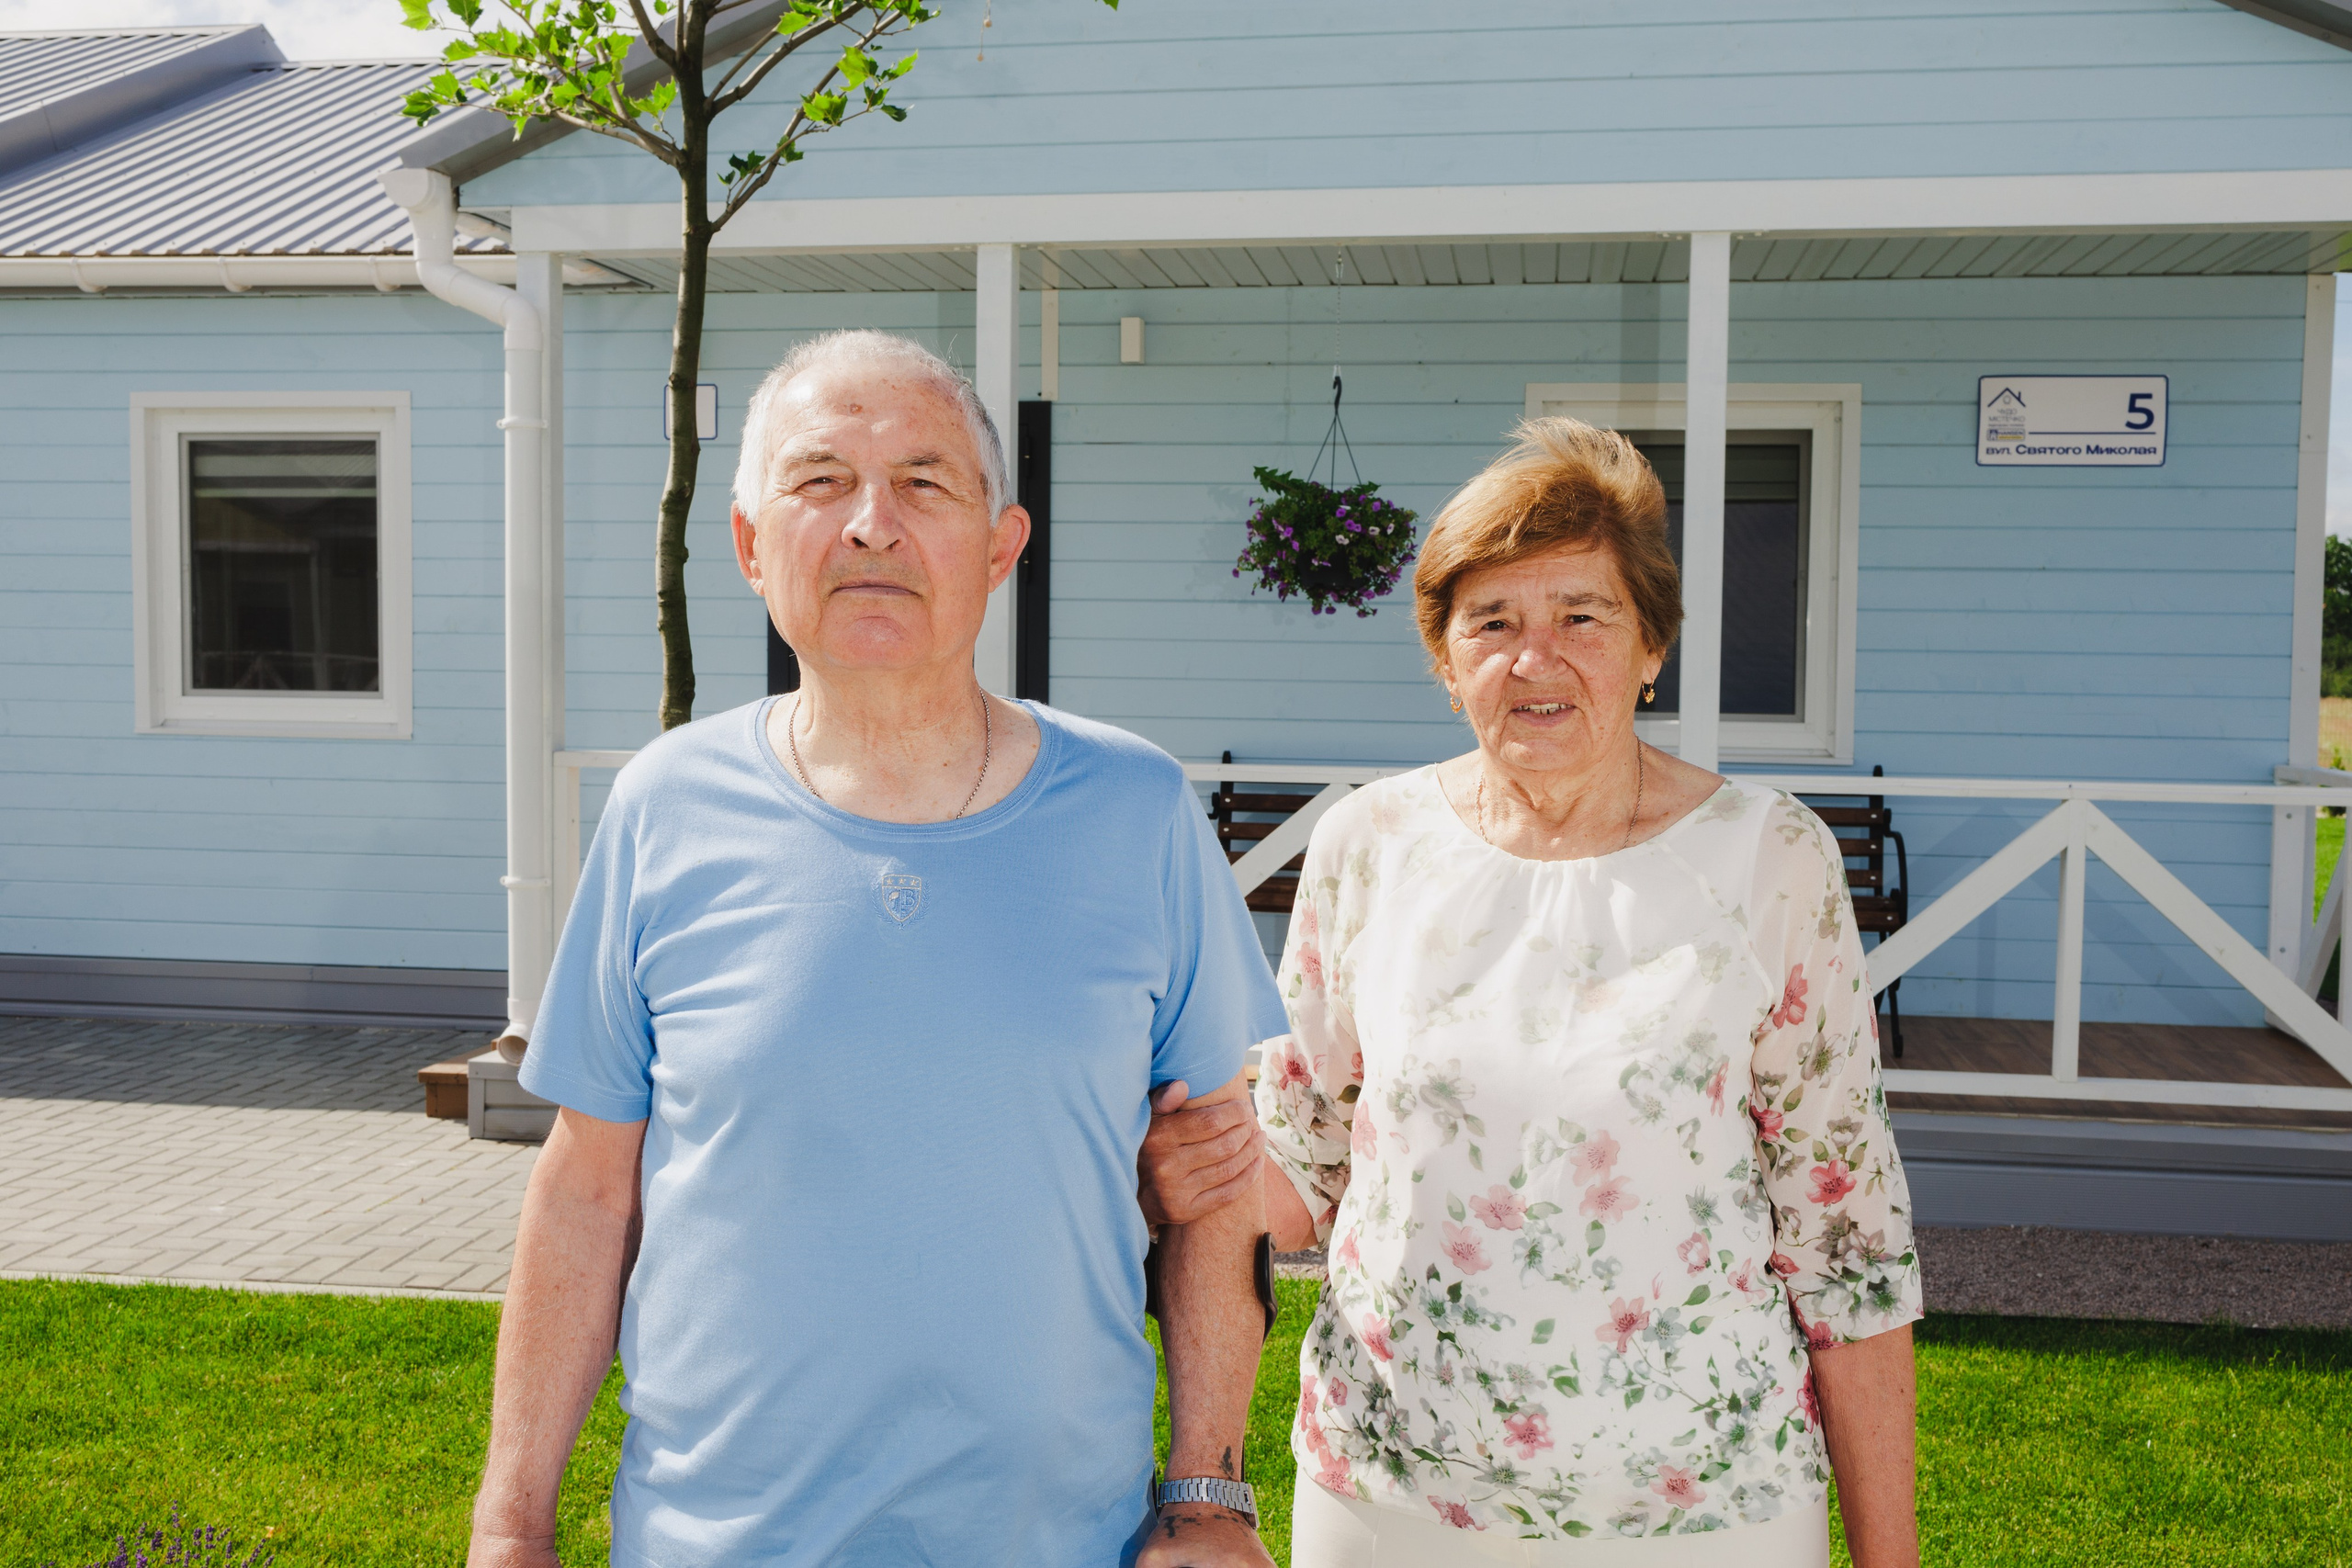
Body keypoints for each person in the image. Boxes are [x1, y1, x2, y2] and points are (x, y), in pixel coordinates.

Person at [471, 330, 1286, 1568]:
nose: (870, 525)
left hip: (1058, 1535)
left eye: (923, 482)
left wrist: (1209, 1497)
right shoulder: (662, 804)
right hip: (718, 1539)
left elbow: (1217, 1187)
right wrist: (510, 1522)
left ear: (1001, 545)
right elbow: (586, 1192)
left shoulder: (1137, 809)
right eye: (820, 481)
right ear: (749, 545)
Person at [1145, 418, 1923, 1566]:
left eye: (1581, 617)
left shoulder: (1768, 857)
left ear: (1652, 645)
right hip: (1389, 1495)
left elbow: (1845, 1242)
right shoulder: (1369, 843)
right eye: (1493, 623)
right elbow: (1301, 1164)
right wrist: (1166, 1167)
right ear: (1445, 659)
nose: (1533, 659)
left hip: (1708, 1506)